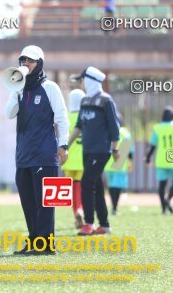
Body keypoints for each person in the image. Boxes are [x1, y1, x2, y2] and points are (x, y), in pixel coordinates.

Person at [4, 45, 69, 255]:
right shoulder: (20, 90)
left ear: (39, 63)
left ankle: (46, 245)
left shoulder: (50, 88)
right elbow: (8, 113)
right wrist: (14, 90)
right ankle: (34, 241)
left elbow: (61, 118)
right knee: (28, 202)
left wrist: (63, 145)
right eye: (23, 61)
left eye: (30, 61)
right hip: (23, 156)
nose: (25, 65)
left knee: (45, 203)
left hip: (44, 155)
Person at [68, 66, 120, 235]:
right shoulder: (84, 101)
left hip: (101, 150)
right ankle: (104, 225)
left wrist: (115, 149)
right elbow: (78, 126)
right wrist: (65, 146)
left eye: (82, 80)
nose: (81, 84)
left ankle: (88, 223)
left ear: (89, 80)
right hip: (87, 150)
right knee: (95, 184)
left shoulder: (106, 100)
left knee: (86, 182)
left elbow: (114, 127)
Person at [146, 106, 173, 215]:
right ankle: (168, 199)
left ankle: (164, 208)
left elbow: (153, 145)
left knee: (162, 185)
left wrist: (148, 158)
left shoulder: (157, 128)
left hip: (161, 160)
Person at [61, 89, 86, 228]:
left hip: (68, 159)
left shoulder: (66, 117)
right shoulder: (85, 117)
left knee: (70, 189)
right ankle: (80, 210)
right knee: (80, 188)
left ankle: (76, 215)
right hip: (83, 160)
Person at [104, 112, 134, 215]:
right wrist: (130, 162)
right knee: (118, 186)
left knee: (111, 185)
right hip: (120, 160)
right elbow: (129, 151)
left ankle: (113, 206)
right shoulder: (125, 133)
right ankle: (115, 207)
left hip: (108, 161)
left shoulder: (107, 130)